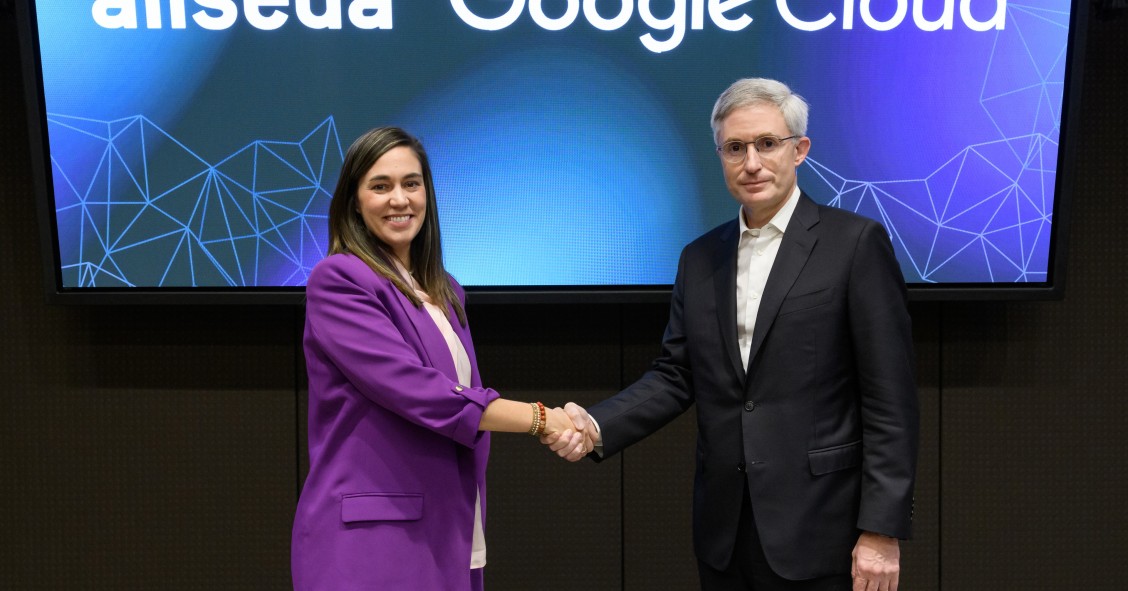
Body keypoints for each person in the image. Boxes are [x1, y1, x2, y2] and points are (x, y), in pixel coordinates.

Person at [550, 78, 919, 591]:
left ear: (800, 150)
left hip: (822, 529)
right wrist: (596, 424)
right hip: (725, 532)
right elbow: (677, 375)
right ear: (720, 154)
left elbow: (890, 399)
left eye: (767, 144)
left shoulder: (855, 244)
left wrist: (881, 529)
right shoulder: (700, 258)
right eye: (735, 148)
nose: (752, 162)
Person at [291, 127, 590, 591]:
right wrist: (540, 419)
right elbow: (422, 393)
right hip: (374, 538)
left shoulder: (443, 290)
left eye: (412, 183)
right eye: (380, 185)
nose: (399, 199)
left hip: (449, 521)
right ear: (353, 200)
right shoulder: (339, 279)